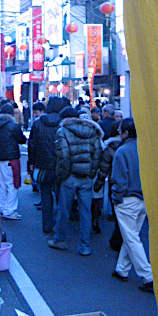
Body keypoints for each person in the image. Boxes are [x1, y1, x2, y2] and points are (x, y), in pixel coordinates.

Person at [48, 105, 103, 256]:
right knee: (86, 212)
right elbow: (98, 154)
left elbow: (63, 155)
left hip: (70, 176)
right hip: (86, 177)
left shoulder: (63, 131)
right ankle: (84, 245)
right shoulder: (93, 132)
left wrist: (64, 174)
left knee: (64, 209)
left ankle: (60, 239)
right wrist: (91, 172)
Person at [110, 118, 154, 293]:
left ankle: (148, 276)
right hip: (144, 197)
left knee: (131, 238)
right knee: (132, 235)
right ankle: (122, 269)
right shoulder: (147, 149)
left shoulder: (122, 151)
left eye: (121, 130)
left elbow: (119, 179)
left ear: (126, 133)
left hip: (127, 199)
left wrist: (116, 197)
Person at [27, 98, 61, 234]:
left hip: (42, 164)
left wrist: (32, 163)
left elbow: (32, 144)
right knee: (61, 196)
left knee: (45, 195)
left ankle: (47, 225)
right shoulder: (62, 122)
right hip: (60, 165)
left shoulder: (38, 123)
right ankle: (60, 225)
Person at [0, 102, 27, 220]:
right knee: (12, 184)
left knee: (2, 185)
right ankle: (10, 210)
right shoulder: (14, 126)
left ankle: (3, 208)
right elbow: (22, 140)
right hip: (12, 158)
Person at [94, 119, 124, 249]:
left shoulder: (109, 148)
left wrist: (98, 184)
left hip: (114, 182)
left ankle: (118, 238)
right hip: (131, 184)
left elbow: (104, 168)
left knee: (118, 210)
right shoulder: (133, 146)